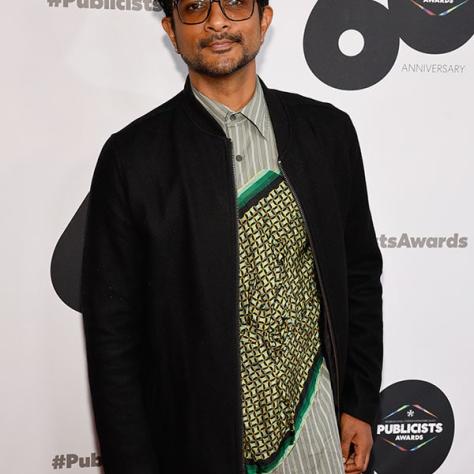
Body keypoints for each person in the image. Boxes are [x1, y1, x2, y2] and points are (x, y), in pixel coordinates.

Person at [80, 1, 383, 473]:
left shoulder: (327, 133)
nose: (217, 21)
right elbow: (112, 335)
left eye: (235, 4)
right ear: (171, 29)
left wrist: (360, 402)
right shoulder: (132, 158)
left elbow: (360, 276)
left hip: (318, 430)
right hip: (194, 446)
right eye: (195, 7)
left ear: (264, 20)